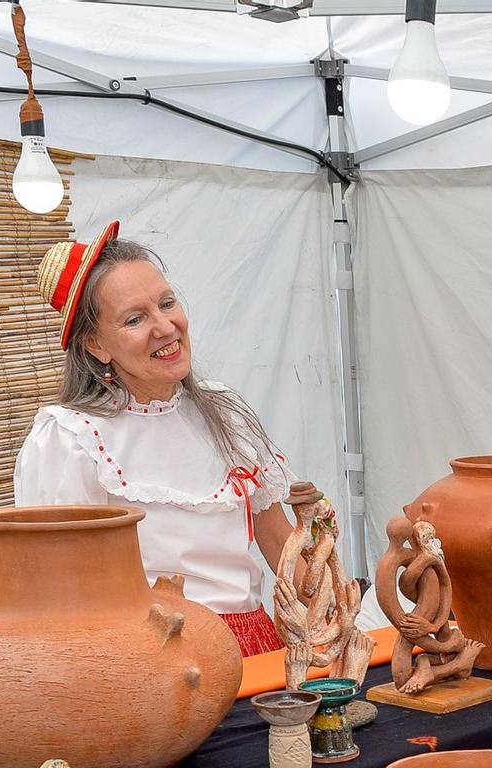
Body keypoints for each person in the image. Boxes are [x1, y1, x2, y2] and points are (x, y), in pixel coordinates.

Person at [15, 221, 297, 656]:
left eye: (167, 303)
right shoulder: (72, 438)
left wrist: (325, 615)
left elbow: (280, 543)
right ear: (96, 346)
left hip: (255, 647)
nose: (165, 327)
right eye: (135, 319)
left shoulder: (224, 411)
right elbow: (60, 587)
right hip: (151, 661)